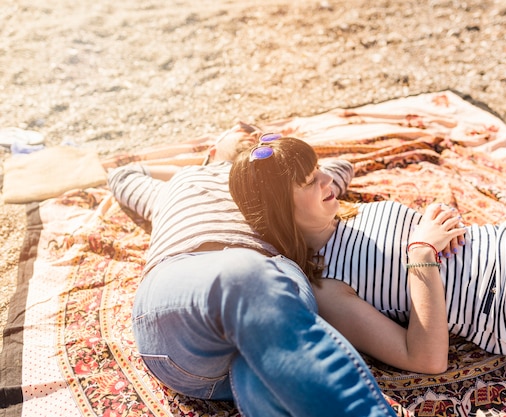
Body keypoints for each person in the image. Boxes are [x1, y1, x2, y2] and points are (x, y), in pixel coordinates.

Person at [228, 119, 506, 374]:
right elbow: (425, 360)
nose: (326, 183)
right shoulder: (325, 286)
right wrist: (421, 253)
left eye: (319, 173)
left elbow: (338, 172)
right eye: (309, 182)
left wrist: (433, 220)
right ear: (281, 206)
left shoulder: (342, 212)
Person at [107, 122, 397, 417]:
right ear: (211, 150)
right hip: (187, 305)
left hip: (267, 316)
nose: (249, 127)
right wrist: (199, 165)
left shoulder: (284, 178)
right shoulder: (182, 182)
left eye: (257, 128)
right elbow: (122, 175)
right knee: (243, 274)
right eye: (237, 128)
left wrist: (281, 158)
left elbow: (338, 167)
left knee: (263, 381)